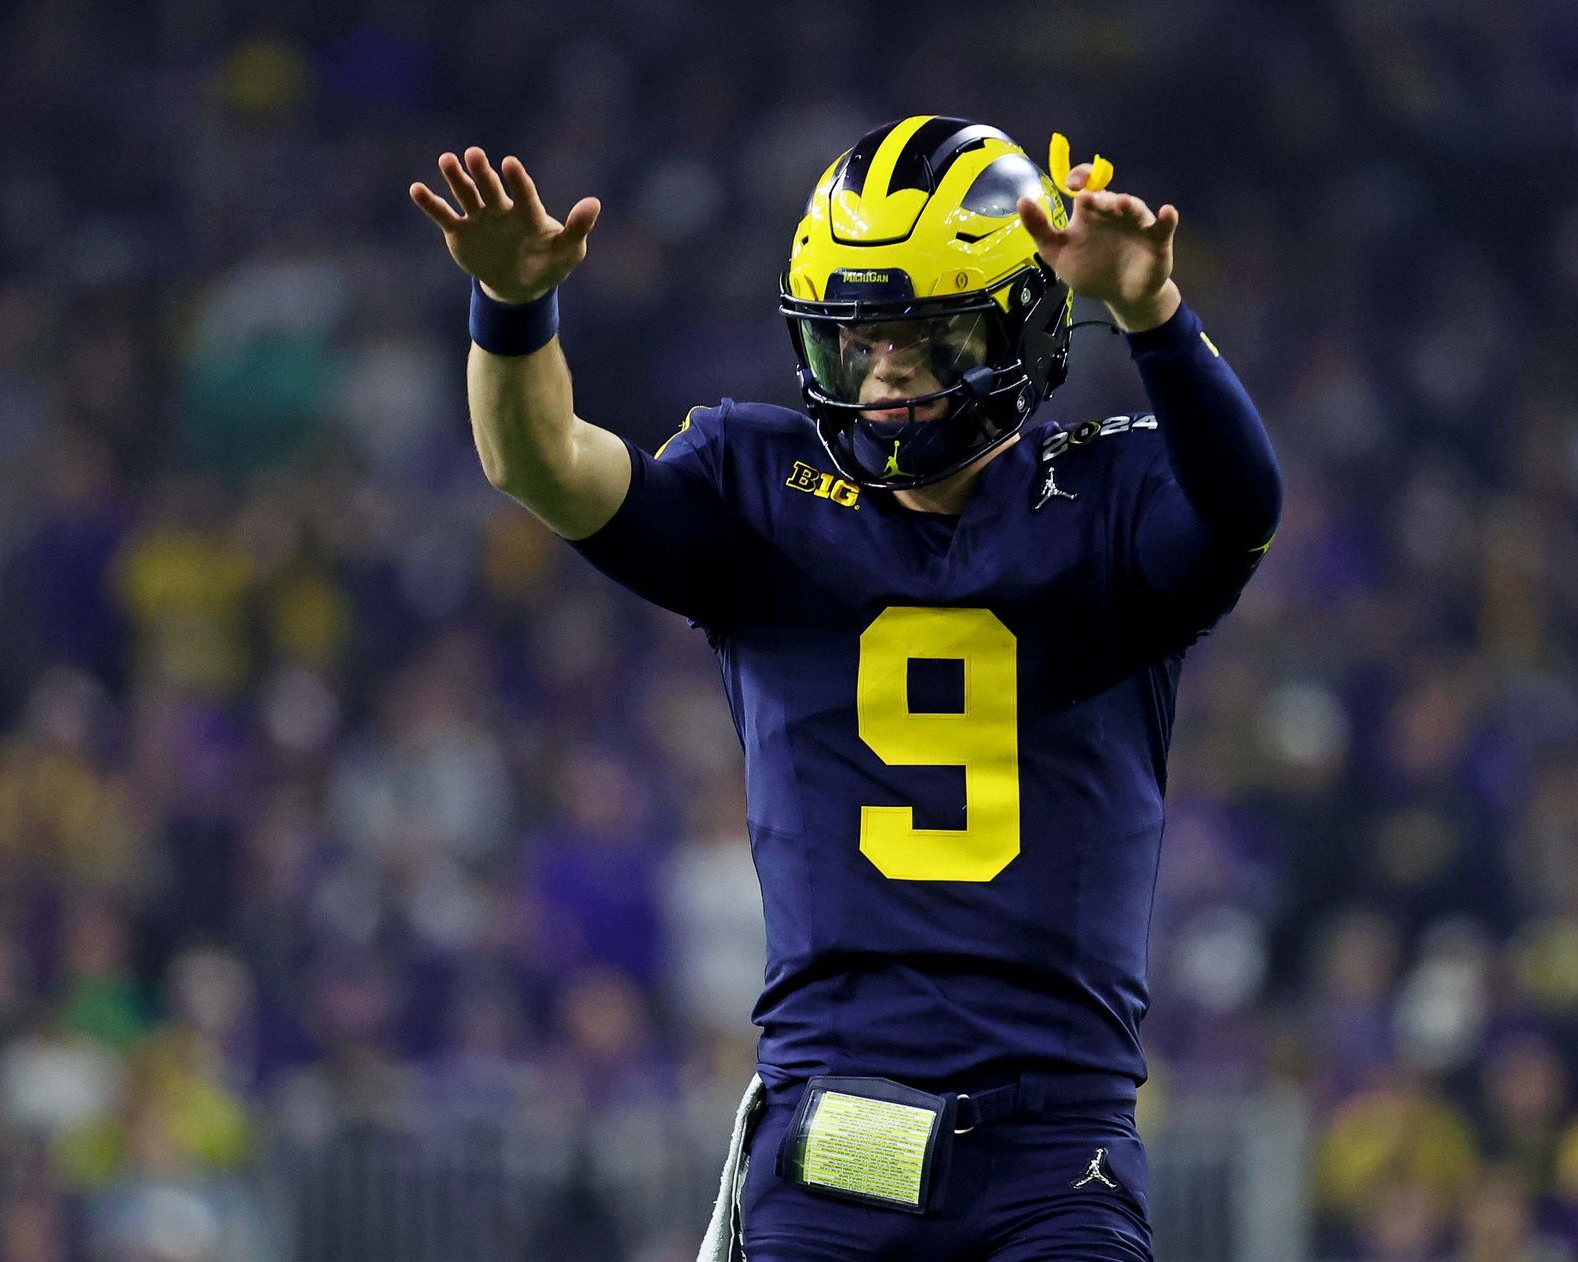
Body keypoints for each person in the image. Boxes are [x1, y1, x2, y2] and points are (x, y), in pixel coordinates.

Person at [410, 114, 1281, 1262]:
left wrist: (1154, 315)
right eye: (859, 342)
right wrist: (513, 311)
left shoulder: (1109, 497)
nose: (886, 379)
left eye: (926, 339)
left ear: (1020, 321)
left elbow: (1243, 504)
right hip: (835, 1133)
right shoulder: (757, 486)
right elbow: (542, 462)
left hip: (1054, 1146)